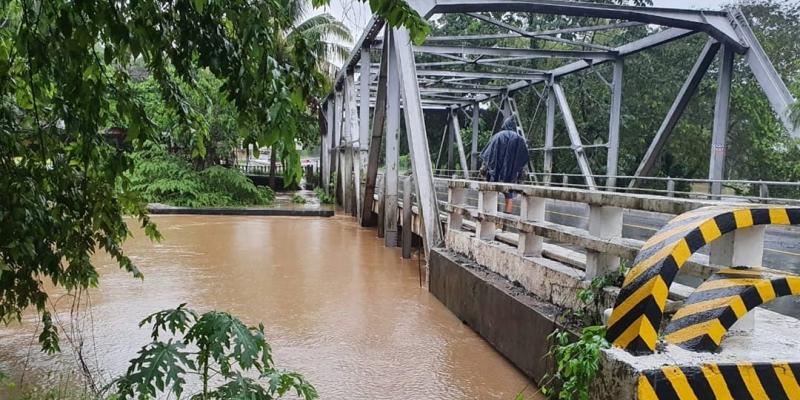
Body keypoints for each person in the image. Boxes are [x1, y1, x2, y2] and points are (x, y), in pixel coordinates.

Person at [479, 116, 529, 213]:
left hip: (495, 171)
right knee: (509, 197)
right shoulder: (519, 139)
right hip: (511, 173)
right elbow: (523, 158)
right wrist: (522, 176)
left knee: (491, 195)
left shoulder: (497, 136)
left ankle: (491, 219)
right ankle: (505, 224)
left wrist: (483, 170)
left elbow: (488, 155)